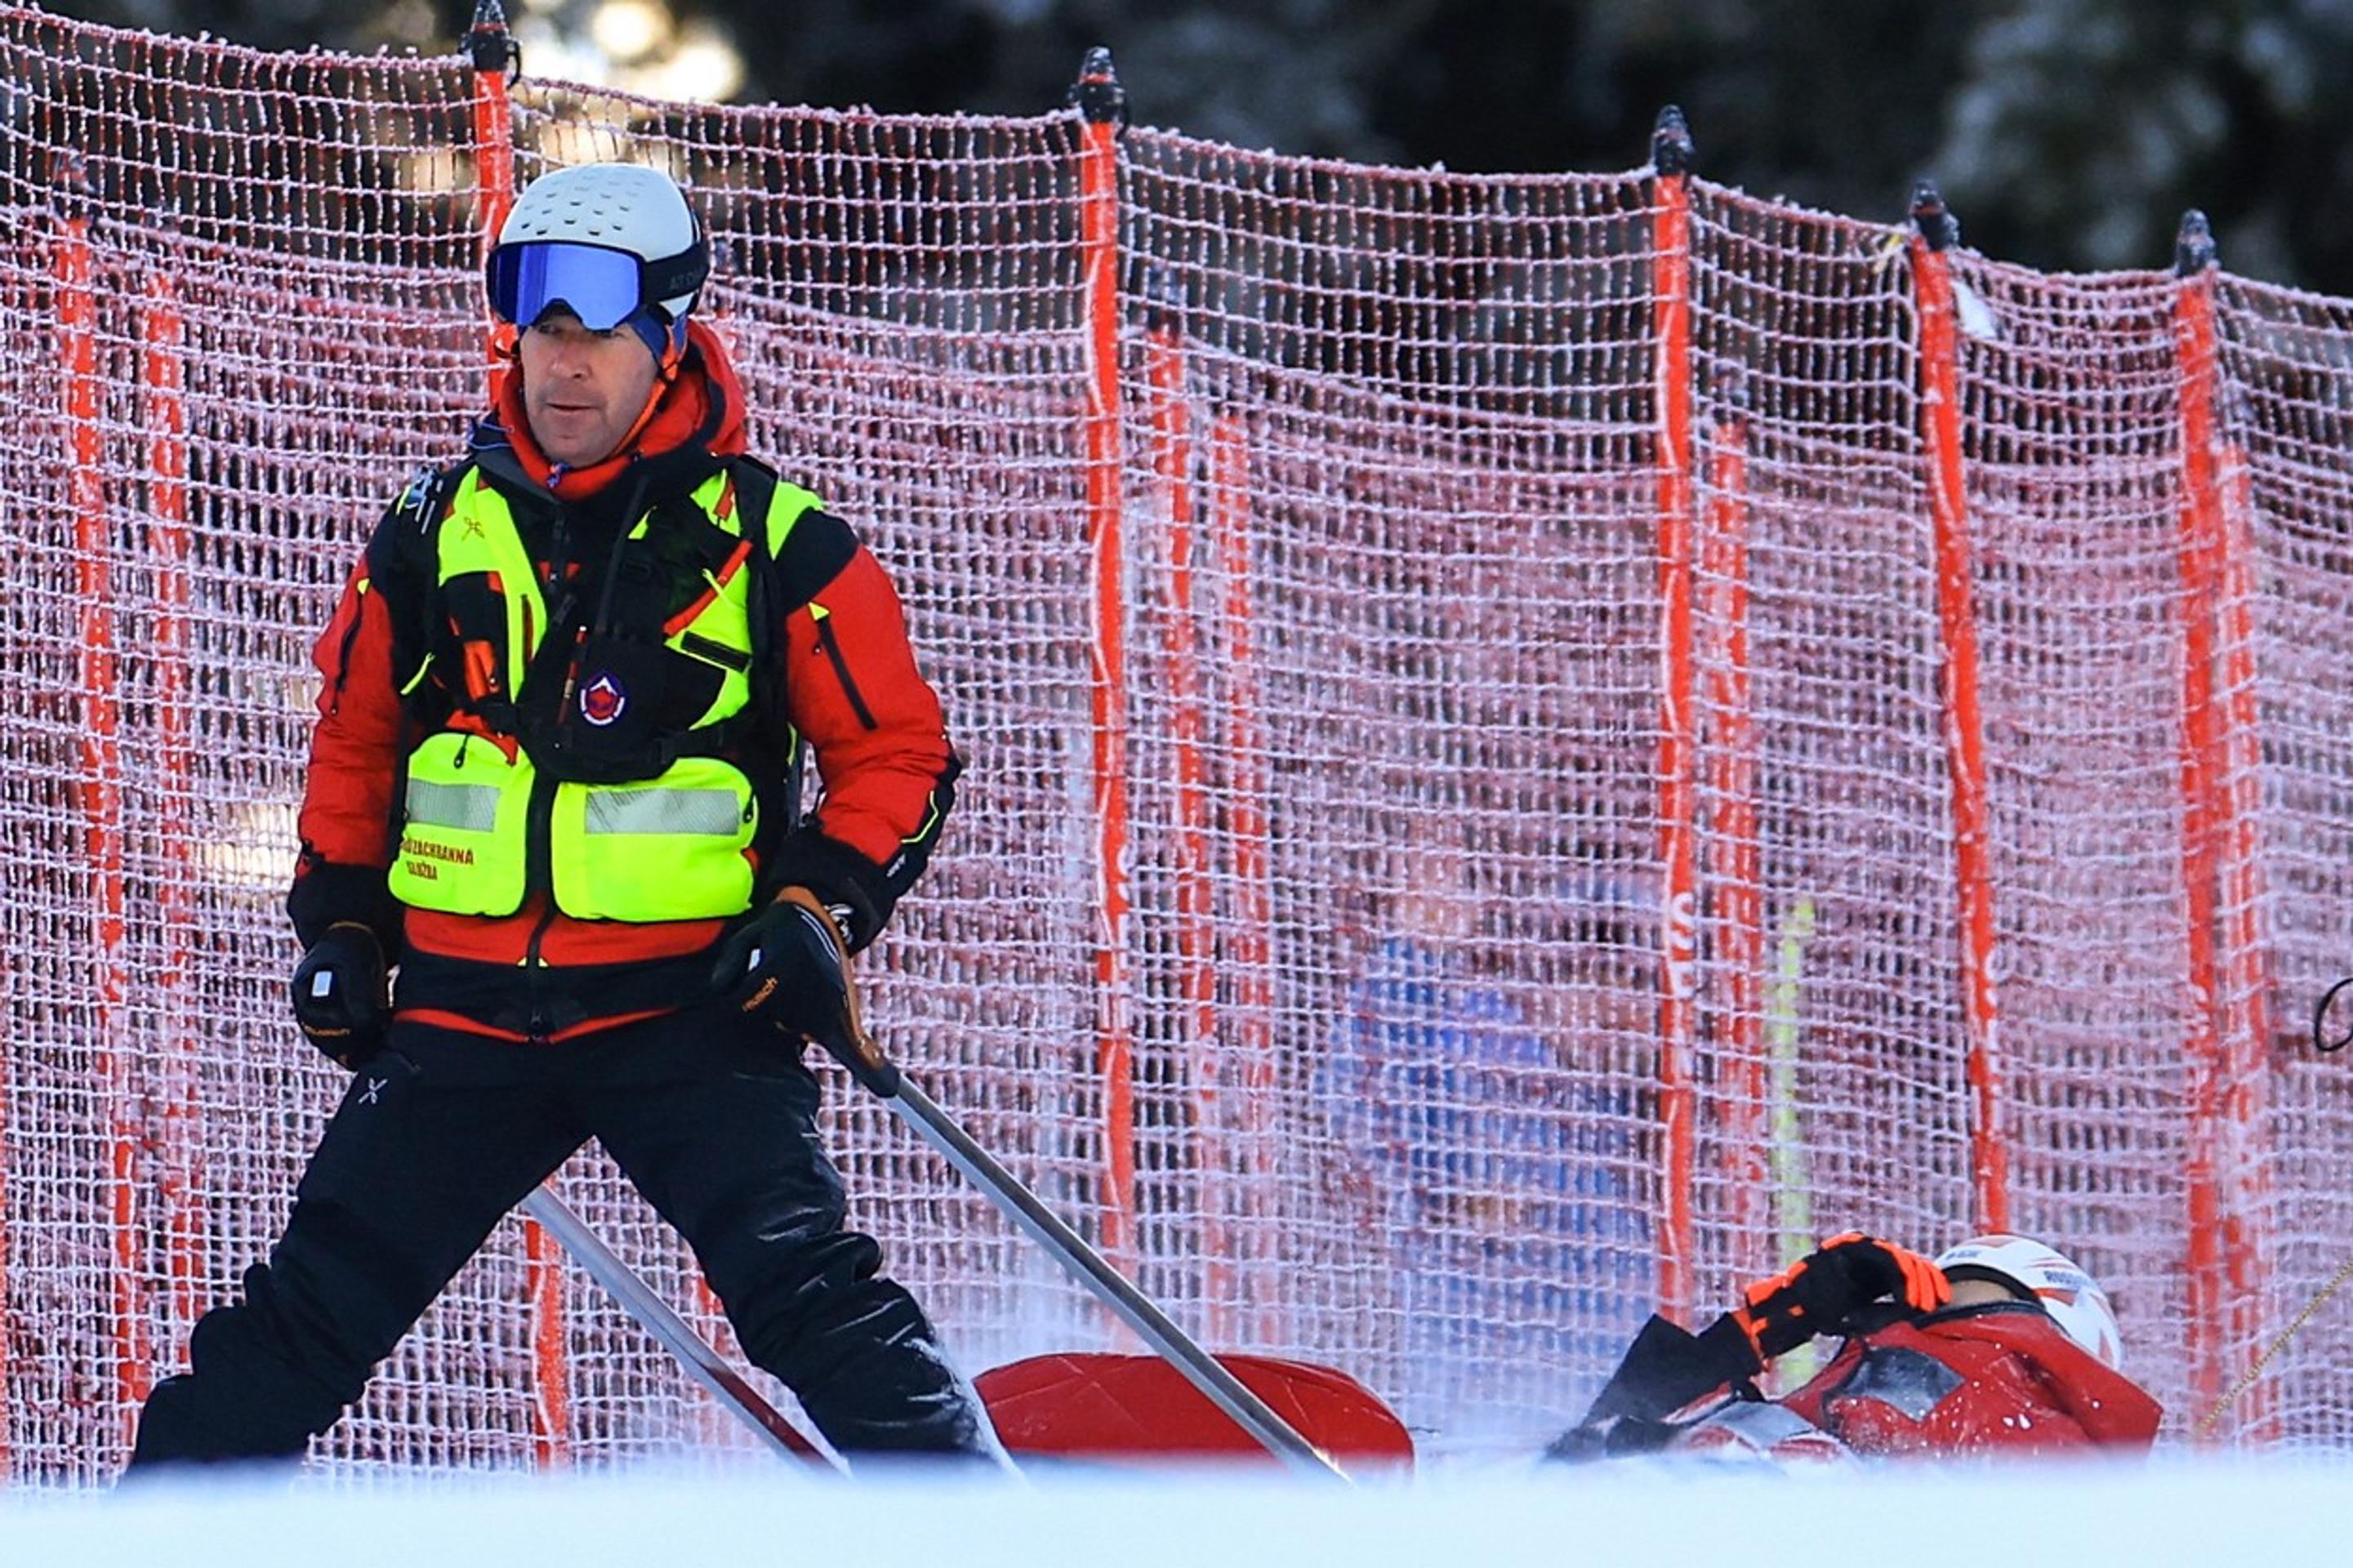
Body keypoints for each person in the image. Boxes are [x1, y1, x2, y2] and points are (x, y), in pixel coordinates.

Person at [127, 162, 994, 1469]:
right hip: (462, 1021)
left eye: (597, 330)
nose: (563, 364)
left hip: (687, 1016)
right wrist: (344, 923)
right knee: (290, 1331)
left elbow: (898, 751)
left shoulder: (776, 540)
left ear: (669, 340)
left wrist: (821, 904)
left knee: (818, 1311)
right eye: (540, 326)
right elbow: (358, 743)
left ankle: (1002, 1540)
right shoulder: (429, 530)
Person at [1547, 1231, 2163, 1463]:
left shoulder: (1938, 1387)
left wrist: (1771, 1324)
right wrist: (1771, 1324)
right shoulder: (2057, 1454)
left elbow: (1590, 1457)